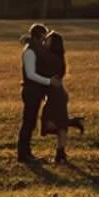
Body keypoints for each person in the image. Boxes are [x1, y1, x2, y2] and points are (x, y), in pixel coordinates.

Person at [36, 28, 86, 164]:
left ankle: (60, 153)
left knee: (54, 124)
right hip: (55, 95)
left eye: (48, 39)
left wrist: (30, 41)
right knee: (54, 123)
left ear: (54, 44)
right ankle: (72, 124)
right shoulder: (55, 57)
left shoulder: (53, 58)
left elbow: (40, 53)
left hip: (56, 96)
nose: (45, 41)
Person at [16, 22, 55, 163]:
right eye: (44, 37)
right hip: (31, 91)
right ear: (40, 36)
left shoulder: (33, 48)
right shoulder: (30, 52)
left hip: (34, 91)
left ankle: (26, 153)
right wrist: (49, 82)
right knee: (28, 123)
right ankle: (23, 154)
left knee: (30, 122)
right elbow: (31, 74)